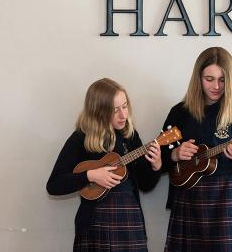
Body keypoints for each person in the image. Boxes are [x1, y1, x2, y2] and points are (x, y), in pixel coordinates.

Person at [162, 46, 232, 252]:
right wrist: (174, 154)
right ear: (198, 78)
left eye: (222, 79)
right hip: (188, 200)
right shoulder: (179, 113)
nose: (216, 86)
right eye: (209, 79)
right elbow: (156, 163)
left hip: (229, 201)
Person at [46, 77, 162, 251]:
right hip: (95, 222)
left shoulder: (130, 136)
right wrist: (90, 175)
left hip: (130, 218)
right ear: (98, 111)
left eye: (125, 106)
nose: (123, 115)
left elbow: (146, 185)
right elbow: (54, 185)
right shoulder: (81, 138)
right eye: (115, 110)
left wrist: (156, 165)